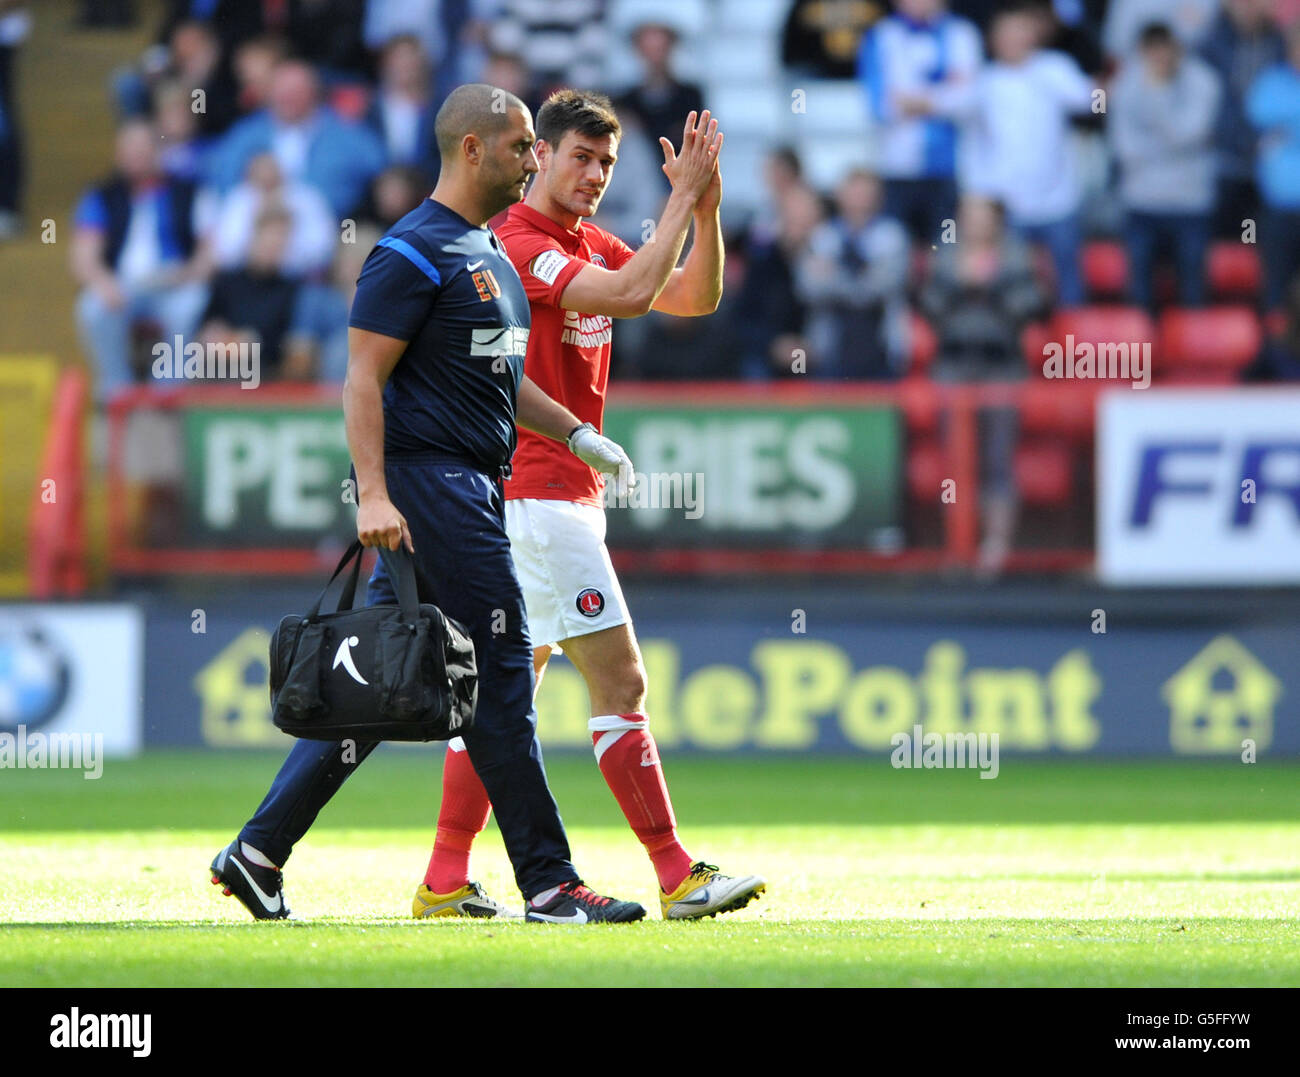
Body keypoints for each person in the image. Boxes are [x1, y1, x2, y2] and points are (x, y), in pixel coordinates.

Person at [209, 83, 673, 925]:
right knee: (499, 676)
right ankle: (551, 882)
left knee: (390, 687)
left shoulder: (485, 253)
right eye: (522, 145)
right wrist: (375, 492)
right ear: (471, 148)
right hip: (434, 488)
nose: (534, 159)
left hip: (470, 486)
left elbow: (500, 378)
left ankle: (257, 851)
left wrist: (575, 434)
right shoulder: (411, 252)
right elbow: (361, 379)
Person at [412, 90, 765, 921]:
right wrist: (679, 201)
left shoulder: (581, 241)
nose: (596, 175)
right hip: (538, 500)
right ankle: (678, 873)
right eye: (580, 156)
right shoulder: (522, 243)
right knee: (623, 681)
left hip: (547, 501)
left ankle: (443, 878)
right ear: (540, 156)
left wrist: (703, 212)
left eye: (607, 163)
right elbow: (638, 294)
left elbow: (690, 297)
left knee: (502, 701)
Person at [957, 2, 1093, 306]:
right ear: (992, 39)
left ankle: (1072, 348)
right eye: (1004, 34)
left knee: (1069, 283)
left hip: (1058, 200)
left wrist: (1101, 90)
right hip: (1008, 207)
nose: (1012, 40)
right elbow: (966, 133)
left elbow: (1091, 101)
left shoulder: (1054, 68)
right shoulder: (983, 82)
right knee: (1013, 286)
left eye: (1019, 32)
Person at [71, 119, 210, 402]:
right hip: (123, 284)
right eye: (129, 149)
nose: (136, 156)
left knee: (188, 306)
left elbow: (210, 247)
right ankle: (117, 390)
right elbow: (83, 255)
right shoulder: (101, 196)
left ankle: (170, 391)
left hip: (174, 281)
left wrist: (192, 272)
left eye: (143, 148)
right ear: (118, 155)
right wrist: (102, 282)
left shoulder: (191, 191)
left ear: (159, 150)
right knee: (92, 308)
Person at [1110, 21, 1221, 311]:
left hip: (1190, 202)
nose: (1160, 56)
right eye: (1152, 49)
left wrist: (1157, 94)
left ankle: (1196, 349)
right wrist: (1170, 146)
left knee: (1193, 286)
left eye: (1165, 48)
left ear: (1178, 47)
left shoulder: (1204, 81)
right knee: (1138, 288)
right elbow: (1124, 148)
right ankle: (1140, 351)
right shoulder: (1126, 82)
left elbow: (1190, 134)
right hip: (1141, 200)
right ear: (1142, 51)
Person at [856, 0, 982, 245]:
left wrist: (917, 101)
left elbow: (970, 100)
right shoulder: (881, 36)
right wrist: (944, 94)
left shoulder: (961, 34)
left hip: (950, 169)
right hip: (897, 167)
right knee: (895, 246)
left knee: (946, 244)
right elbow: (879, 104)